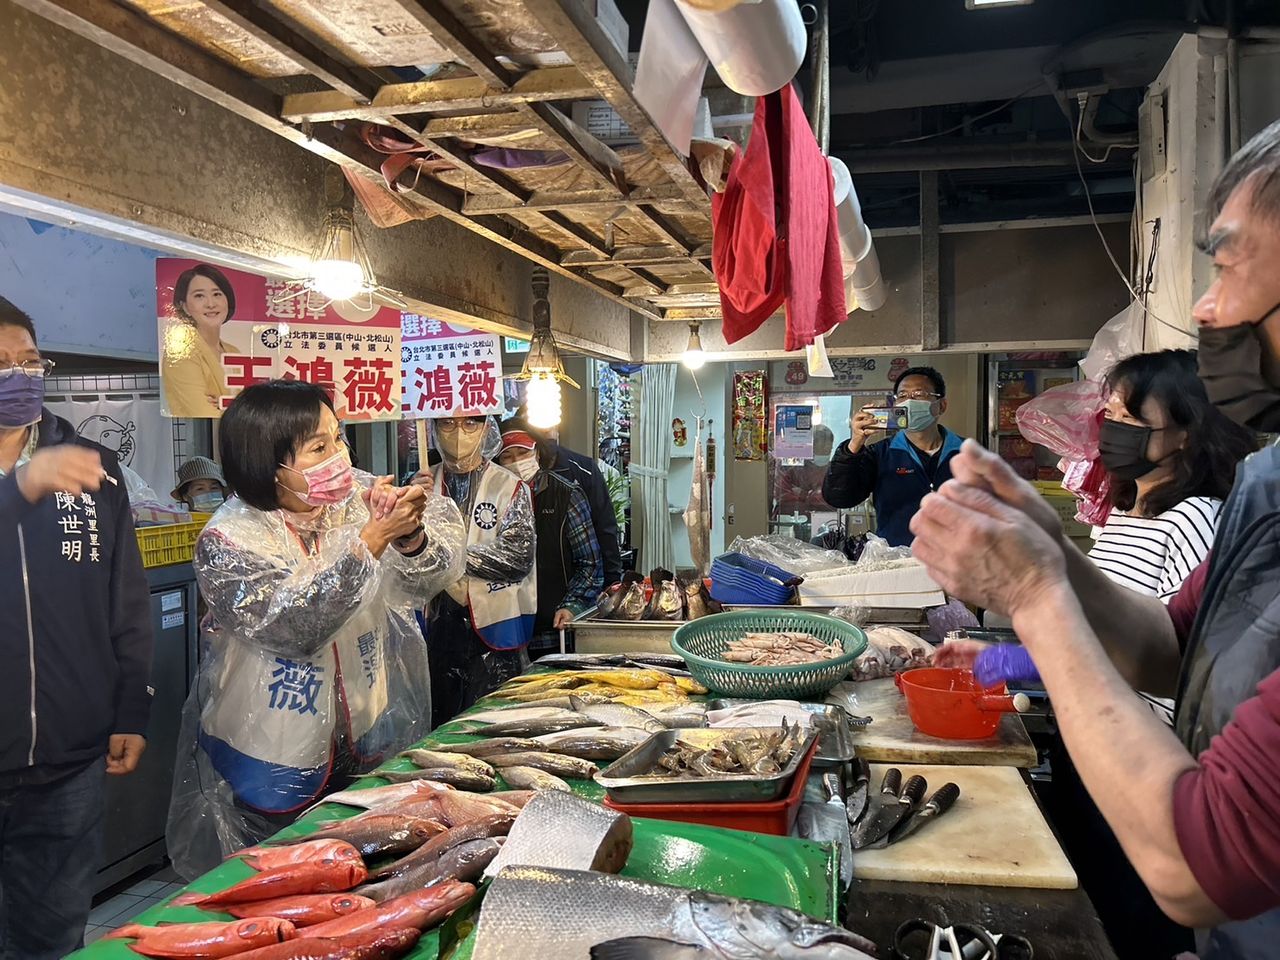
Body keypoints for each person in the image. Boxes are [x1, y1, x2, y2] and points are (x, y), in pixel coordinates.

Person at [911, 119, 1280, 960]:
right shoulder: (1270, 488)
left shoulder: (1204, 510)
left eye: (1228, 265)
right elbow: (1171, 647)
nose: (1206, 308)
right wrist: (1053, 550)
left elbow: (1199, 864)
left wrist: (1034, 592)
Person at [165, 380, 464, 877]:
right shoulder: (228, 539)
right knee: (281, 883)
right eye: (318, 448)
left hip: (365, 732)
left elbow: (427, 582)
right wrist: (372, 540)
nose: (340, 456)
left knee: (367, 876)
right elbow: (294, 628)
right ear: (269, 462)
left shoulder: (354, 505)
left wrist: (410, 534)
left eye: (338, 438)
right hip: (272, 750)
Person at [0, 296, 154, 957]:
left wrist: (131, 708)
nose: (19, 375)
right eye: (0, 363)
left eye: (29, 360)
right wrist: (19, 490)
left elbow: (126, 599)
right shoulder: (39, 476)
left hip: (70, 759)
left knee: (53, 937)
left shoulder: (94, 466)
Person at [1090, 350, 1256, 722]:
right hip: (1099, 721)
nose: (1113, 429)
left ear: (1185, 434)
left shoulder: (1194, 518)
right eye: (1111, 416)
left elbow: (1181, 661)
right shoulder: (1123, 513)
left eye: (1130, 418)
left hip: (1141, 738)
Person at [425, 415, 536, 727]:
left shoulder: (509, 486)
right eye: (448, 424)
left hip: (495, 631)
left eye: (470, 424)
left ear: (487, 429)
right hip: (437, 633)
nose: (459, 434)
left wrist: (446, 556)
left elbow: (517, 557)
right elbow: (405, 562)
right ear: (434, 430)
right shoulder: (421, 484)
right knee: (440, 733)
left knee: (493, 730)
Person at [823, 367, 966, 546]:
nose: (909, 401)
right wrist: (855, 444)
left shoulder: (968, 454)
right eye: (902, 395)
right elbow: (839, 498)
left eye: (919, 394)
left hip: (957, 557)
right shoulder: (879, 454)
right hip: (897, 558)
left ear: (941, 405)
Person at [498, 421, 603, 646]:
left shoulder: (566, 495)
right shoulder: (488, 501)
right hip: (502, 627)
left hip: (554, 629)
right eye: (507, 456)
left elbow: (590, 564)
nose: (516, 462)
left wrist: (572, 605)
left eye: (523, 452)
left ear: (537, 453)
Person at [512, 407, 623, 586]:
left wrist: (613, 582)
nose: (542, 433)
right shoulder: (507, 474)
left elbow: (605, 528)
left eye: (547, 427)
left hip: (575, 585)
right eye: (534, 428)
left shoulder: (583, 469)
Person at [161, 263, 236, 418]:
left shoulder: (233, 351)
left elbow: (252, 408)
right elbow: (202, 411)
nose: (211, 304)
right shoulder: (180, 353)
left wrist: (223, 404)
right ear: (185, 307)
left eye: (217, 294)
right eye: (199, 296)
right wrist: (233, 407)